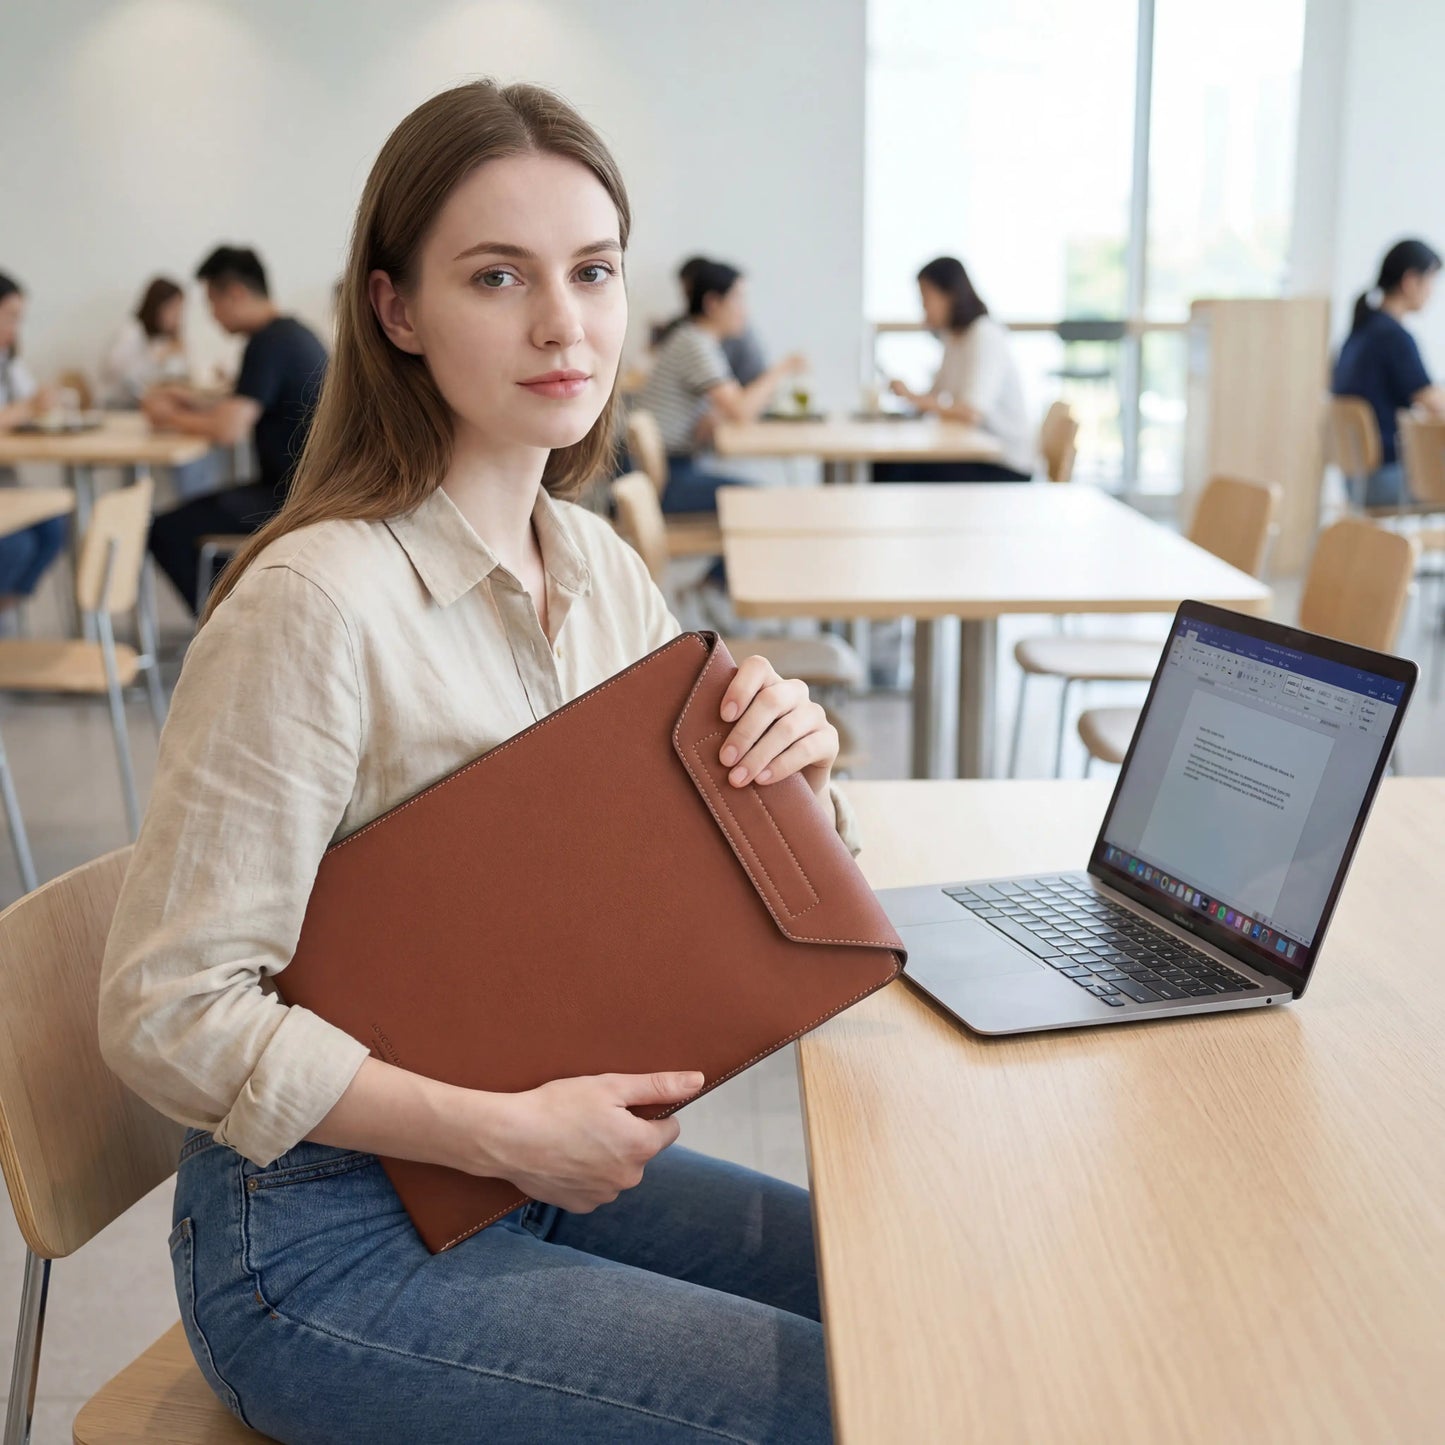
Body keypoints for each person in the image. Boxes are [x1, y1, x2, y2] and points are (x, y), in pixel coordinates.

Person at [99, 80, 851, 1444]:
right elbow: (166, 1010)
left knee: (886, 1301)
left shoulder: (601, 567)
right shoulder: (314, 604)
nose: (564, 323)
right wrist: (501, 1135)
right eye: (499, 276)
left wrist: (793, 772)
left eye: (593, 270)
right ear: (395, 310)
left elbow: (689, 880)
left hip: (518, 1161)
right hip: (317, 1238)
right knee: (835, 1404)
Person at [144, 246, 328, 612]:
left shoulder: (268, 343)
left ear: (236, 294)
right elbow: (246, 402)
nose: (212, 315)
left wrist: (167, 418)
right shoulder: (292, 334)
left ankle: (229, 622)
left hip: (290, 497)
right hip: (312, 489)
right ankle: (240, 613)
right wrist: (193, 403)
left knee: (164, 531)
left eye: (213, 303)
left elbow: (229, 428)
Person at [635, 258, 806, 515]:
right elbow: (741, 411)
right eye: (738, 299)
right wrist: (783, 368)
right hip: (666, 477)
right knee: (761, 500)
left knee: (757, 498)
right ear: (712, 304)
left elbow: (730, 406)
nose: (745, 311)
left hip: (664, 468)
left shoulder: (693, 337)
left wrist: (717, 413)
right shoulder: (696, 344)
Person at [879, 255, 1034, 481]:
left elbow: (971, 412)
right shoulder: (954, 339)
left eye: (926, 298)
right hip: (974, 453)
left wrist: (913, 398)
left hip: (1005, 463)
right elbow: (935, 395)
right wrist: (911, 397)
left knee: (897, 472)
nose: (924, 308)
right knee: (886, 466)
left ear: (949, 296)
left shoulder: (985, 334)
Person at [1332, 238, 1445, 507]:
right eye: (1431, 282)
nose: (1432, 292)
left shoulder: (1359, 331)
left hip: (1354, 479)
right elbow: (1435, 405)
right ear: (1410, 281)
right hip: (1385, 480)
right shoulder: (1393, 337)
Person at [0, 272, 67, 618]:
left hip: (8, 486)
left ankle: (6, 613)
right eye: (10, 316)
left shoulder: (7, 360)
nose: (16, 327)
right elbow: (23, 407)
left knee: (55, 526)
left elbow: (31, 399)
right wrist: (27, 408)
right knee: (17, 545)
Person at [98, 276, 189, 407]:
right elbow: (124, 378)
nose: (178, 316)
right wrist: (159, 357)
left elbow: (173, 377)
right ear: (157, 307)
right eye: (173, 309)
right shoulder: (131, 333)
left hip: (140, 404)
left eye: (180, 310)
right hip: (117, 406)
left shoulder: (161, 339)